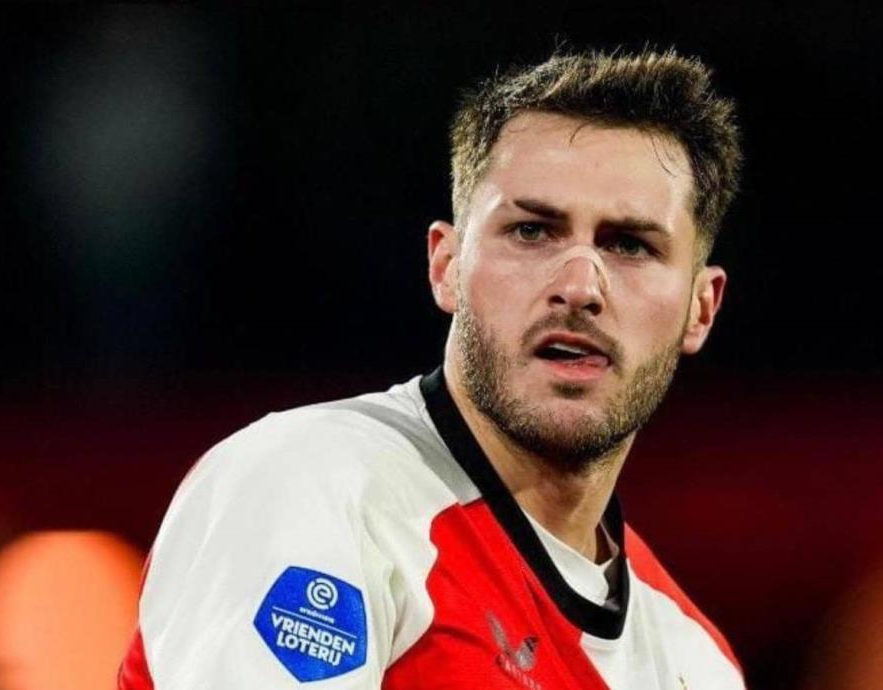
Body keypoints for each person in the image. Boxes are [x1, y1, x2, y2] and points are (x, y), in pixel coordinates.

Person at [119, 48, 745, 689]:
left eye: (630, 245)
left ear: (701, 308)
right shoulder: (313, 485)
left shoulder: (695, 665)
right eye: (532, 232)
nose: (580, 286)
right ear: (446, 266)